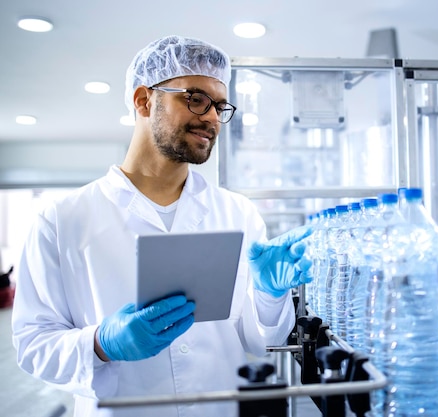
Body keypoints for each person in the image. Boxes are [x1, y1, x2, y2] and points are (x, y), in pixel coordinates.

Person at [11, 35, 312, 417]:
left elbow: (258, 339)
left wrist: (270, 296)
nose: (212, 118)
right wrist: (101, 344)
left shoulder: (238, 213)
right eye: (196, 99)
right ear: (143, 100)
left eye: (220, 106)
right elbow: (33, 345)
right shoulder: (61, 219)